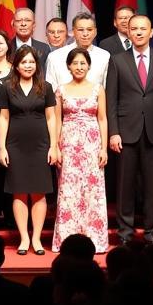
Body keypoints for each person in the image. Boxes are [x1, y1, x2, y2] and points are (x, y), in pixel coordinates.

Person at [105, 14, 153, 244]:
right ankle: (125, 233)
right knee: (124, 186)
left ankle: (152, 233)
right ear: (128, 31)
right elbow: (111, 100)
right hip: (125, 132)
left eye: (142, 28)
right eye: (133, 28)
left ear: (152, 32)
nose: (137, 32)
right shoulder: (117, 60)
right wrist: (113, 131)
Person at [0, 45, 58, 255]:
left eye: (32, 62)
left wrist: (54, 145)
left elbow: (52, 117)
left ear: (37, 65)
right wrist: (2, 147)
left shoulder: (46, 87)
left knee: (39, 192)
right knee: (19, 192)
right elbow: (4, 118)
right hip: (15, 145)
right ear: (16, 65)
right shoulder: (7, 87)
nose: (28, 65)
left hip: (41, 144)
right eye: (24, 62)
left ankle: (37, 238)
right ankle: (24, 238)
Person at [52, 48, 108, 253]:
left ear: (89, 66)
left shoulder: (98, 89)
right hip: (68, 144)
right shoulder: (61, 90)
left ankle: (95, 238)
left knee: (93, 190)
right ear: (68, 66)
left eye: (83, 63)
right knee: (69, 191)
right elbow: (57, 119)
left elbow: (102, 118)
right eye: (75, 63)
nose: (79, 67)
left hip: (92, 145)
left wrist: (103, 148)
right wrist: (56, 147)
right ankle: (67, 238)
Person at [46, 12, 110, 90]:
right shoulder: (55, 57)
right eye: (80, 30)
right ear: (73, 31)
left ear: (95, 32)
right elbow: (50, 91)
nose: (85, 34)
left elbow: (107, 89)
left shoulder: (104, 56)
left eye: (89, 30)